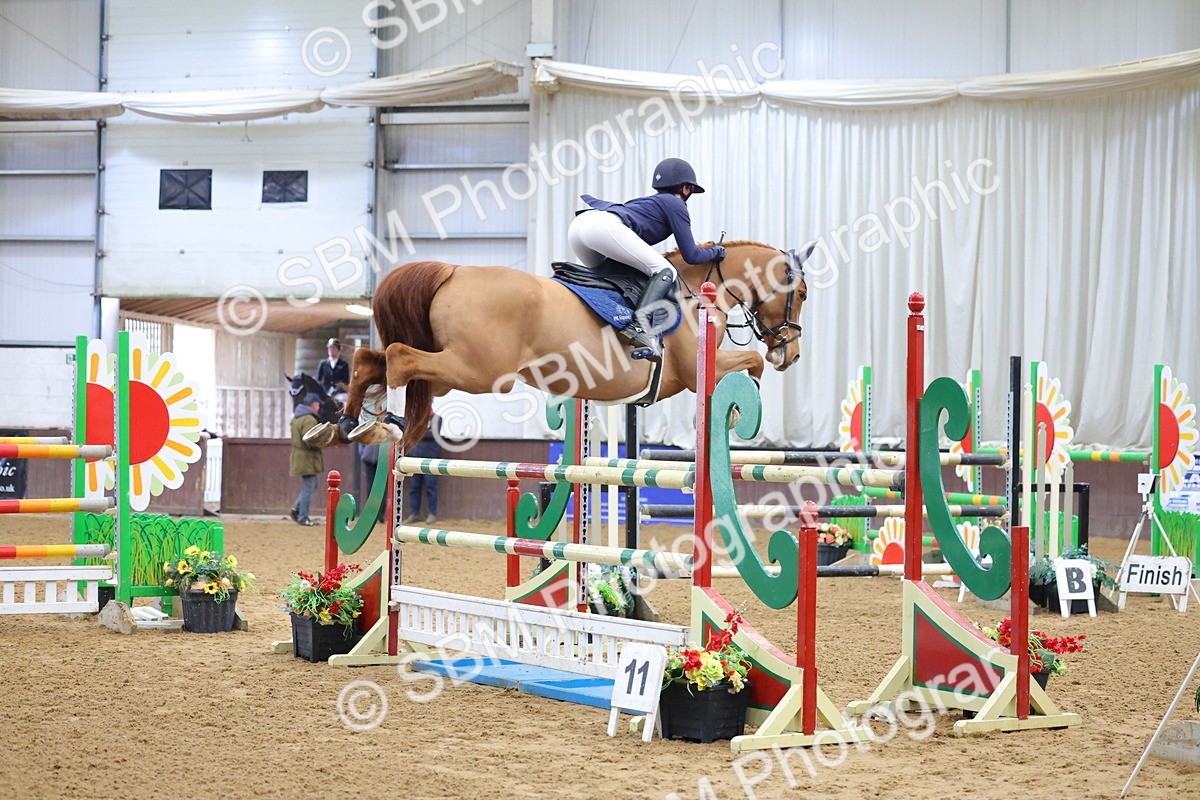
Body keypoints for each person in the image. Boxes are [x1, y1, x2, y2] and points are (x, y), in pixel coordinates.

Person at [567, 157, 725, 359]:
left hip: (580, 226)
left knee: (610, 279)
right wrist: (716, 251)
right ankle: (639, 327)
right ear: (685, 188)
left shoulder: (651, 201)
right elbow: (691, 255)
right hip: (602, 226)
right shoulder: (675, 204)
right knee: (665, 270)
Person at [289, 393, 325, 526]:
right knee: (309, 487)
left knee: (310, 485)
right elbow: (310, 439)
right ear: (314, 404)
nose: (319, 407)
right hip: (307, 457)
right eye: (318, 404)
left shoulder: (297, 418)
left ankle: (296, 509)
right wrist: (324, 441)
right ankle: (302, 516)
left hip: (299, 456)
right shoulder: (309, 419)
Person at [403, 410, 441, 525]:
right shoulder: (414, 418)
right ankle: (414, 513)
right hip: (415, 458)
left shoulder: (437, 418)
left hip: (430, 459)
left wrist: (416, 433)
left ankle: (432, 514)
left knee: (431, 486)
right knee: (415, 487)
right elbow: (408, 434)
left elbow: (434, 434)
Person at [317, 338, 351, 405]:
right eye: (330, 348)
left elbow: (346, 381)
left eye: (333, 348)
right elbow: (319, 379)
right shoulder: (323, 363)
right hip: (326, 392)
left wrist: (338, 389)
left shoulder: (343, 364)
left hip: (340, 393)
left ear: (338, 350)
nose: (331, 350)